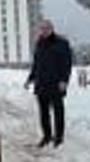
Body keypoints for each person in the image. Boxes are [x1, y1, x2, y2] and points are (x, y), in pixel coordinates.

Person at [25, 19, 73, 147]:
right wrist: (30, 78)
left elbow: (67, 64)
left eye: (46, 28)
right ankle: (47, 136)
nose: (44, 31)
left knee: (58, 111)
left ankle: (59, 137)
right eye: (42, 29)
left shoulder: (62, 43)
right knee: (44, 113)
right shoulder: (39, 43)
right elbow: (36, 64)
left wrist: (64, 80)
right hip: (41, 84)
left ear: (52, 29)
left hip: (56, 83)